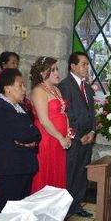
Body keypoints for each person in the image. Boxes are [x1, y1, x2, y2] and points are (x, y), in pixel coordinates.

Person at [0, 68, 41, 212]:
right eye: (20, 85)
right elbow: (25, 134)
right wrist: (28, 139)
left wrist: (30, 141)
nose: (24, 89)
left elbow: (36, 133)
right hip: (11, 168)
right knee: (8, 209)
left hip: (23, 164)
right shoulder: (2, 109)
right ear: (8, 89)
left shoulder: (18, 107)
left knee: (21, 208)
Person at [59, 52, 96, 218]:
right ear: (72, 66)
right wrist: (79, 135)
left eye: (87, 64)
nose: (86, 67)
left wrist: (93, 131)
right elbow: (68, 114)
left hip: (87, 138)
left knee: (82, 173)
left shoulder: (87, 87)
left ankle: (76, 204)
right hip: (74, 139)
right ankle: (65, 208)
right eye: (83, 64)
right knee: (71, 173)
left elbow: (91, 113)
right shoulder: (65, 86)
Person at [29, 56, 72, 193]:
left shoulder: (55, 89)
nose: (56, 73)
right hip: (47, 138)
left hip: (59, 139)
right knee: (46, 173)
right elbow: (44, 120)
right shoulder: (38, 91)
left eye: (57, 69)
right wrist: (61, 138)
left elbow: (63, 113)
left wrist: (68, 134)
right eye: (52, 70)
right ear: (42, 73)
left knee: (57, 173)